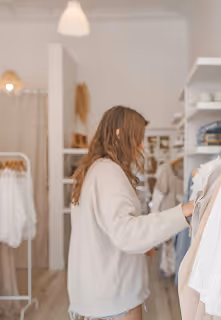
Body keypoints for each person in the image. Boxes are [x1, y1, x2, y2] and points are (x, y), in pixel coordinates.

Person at [68, 106, 194, 320]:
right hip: (114, 294)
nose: (142, 145)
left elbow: (105, 227)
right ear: (120, 135)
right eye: (138, 138)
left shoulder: (92, 170)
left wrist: (143, 243)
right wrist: (182, 212)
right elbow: (127, 234)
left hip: (96, 290)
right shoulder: (108, 172)